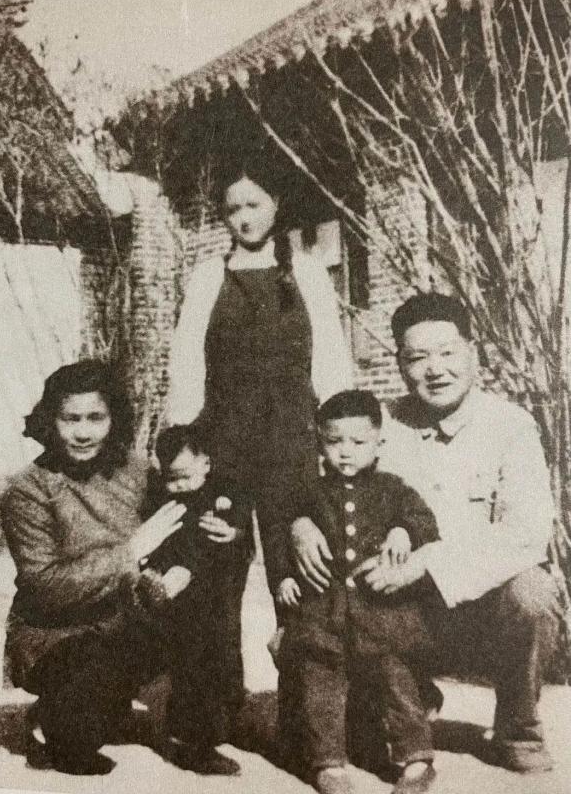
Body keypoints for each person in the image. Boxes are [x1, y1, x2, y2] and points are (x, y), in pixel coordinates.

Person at [291, 292, 560, 777]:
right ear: (399, 363)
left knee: (532, 592)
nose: (434, 369)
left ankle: (518, 728)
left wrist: (427, 563)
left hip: (476, 611)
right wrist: (301, 523)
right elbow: (320, 482)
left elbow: (526, 534)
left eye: (447, 352)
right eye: (417, 357)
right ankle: (410, 698)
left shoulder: (510, 426)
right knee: (302, 642)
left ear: (472, 353)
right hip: (390, 609)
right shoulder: (380, 423)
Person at [164, 154, 354, 759]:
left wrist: (337, 439)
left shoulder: (307, 273)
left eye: (254, 204)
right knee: (215, 575)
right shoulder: (207, 277)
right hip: (222, 446)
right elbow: (186, 363)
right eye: (232, 209)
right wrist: (182, 447)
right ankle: (206, 720)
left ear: (276, 205)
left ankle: (307, 726)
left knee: (295, 577)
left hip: (291, 447)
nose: (244, 218)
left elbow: (331, 363)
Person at [0, 360, 233, 776]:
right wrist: (130, 553)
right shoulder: (28, 490)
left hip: (130, 618)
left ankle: (189, 735)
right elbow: (44, 587)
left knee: (200, 621)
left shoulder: (137, 470)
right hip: (59, 636)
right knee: (83, 720)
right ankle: (54, 721)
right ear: (50, 420)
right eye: (70, 419)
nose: (83, 432)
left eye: (96, 418)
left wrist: (224, 528)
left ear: (114, 419)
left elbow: (187, 513)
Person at [275, 390, 440, 794]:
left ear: (379, 442)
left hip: (383, 612)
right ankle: (327, 762)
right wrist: (285, 577)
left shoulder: (392, 489)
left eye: (358, 441)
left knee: (398, 680)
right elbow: (282, 539)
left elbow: (423, 520)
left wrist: (403, 531)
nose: (345, 451)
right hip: (323, 610)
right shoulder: (308, 493)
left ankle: (416, 759)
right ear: (320, 442)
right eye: (334, 441)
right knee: (321, 683)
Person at [136, 423, 253, 764]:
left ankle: (225, 720)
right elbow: (154, 538)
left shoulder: (223, 491)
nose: (180, 486)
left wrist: (233, 532)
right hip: (182, 597)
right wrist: (156, 567)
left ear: (206, 463)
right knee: (189, 661)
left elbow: (242, 530)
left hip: (218, 593)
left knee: (225, 654)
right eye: (171, 478)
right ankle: (188, 735)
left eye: (186, 476)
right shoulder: (163, 497)